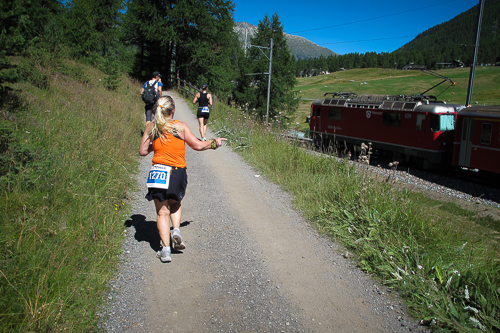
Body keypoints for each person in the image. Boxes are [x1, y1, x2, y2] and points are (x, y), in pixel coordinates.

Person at [139, 96, 226, 263]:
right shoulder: (180, 126)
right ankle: (176, 230)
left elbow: (142, 151)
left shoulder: (151, 126)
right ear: (172, 110)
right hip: (177, 172)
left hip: (158, 171)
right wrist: (215, 143)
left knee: (162, 212)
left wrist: (155, 145)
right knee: (176, 202)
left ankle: (165, 251)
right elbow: (198, 146)